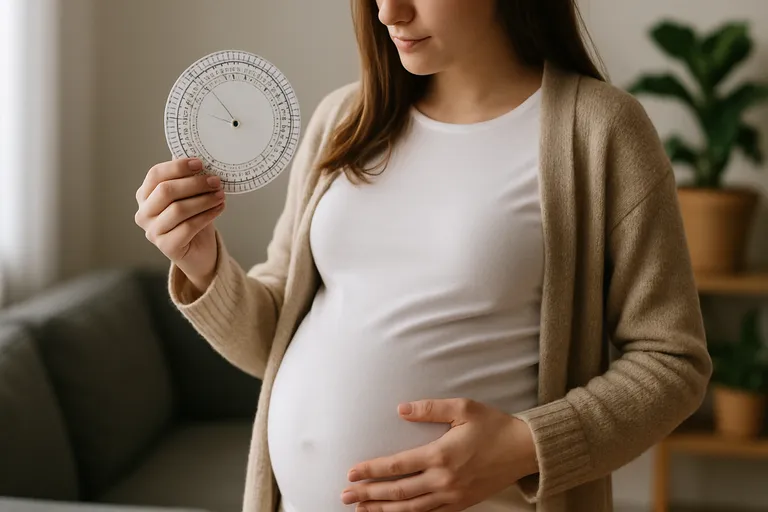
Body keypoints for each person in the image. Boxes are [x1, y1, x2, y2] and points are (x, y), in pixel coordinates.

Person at [134, 1, 713, 511]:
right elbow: (274, 338)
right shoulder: (344, 119)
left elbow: (672, 363)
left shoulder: (600, 131)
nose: (389, 12)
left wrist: (524, 445)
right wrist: (201, 261)